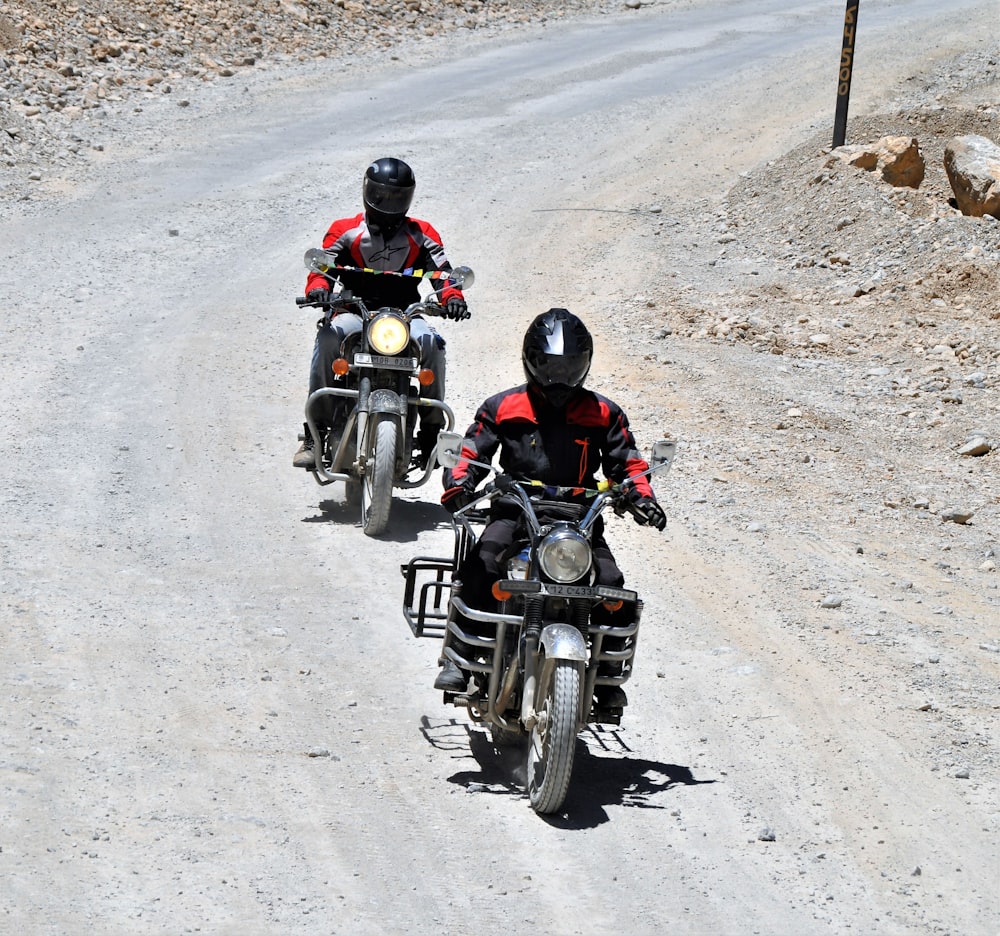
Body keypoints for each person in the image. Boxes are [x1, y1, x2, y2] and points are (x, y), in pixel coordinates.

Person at [433, 308, 666, 707]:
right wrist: (460, 484)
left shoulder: (604, 413)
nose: (559, 377)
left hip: (578, 519)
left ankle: (608, 678)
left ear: (585, 365)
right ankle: (462, 654)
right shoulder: (502, 407)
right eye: (550, 365)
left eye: (570, 366)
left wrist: (642, 499)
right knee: (482, 565)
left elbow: (628, 464)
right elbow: (470, 452)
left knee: (612, 585)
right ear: (530, 360)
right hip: (515, 510)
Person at [293, 156, 470, 469]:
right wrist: (318, 290)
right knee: (327, 339)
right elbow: (322, 267)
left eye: (398, 197)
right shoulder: (344, 230)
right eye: (382, 196)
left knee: (433, 346)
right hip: (353, 311)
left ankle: (431, 432)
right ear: (366, 191)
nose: (389, 204)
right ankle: (315, 433)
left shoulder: (422, 232)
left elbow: (443, 272)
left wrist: (452, 297)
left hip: (405, 315)